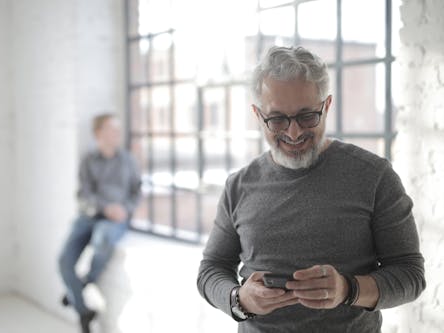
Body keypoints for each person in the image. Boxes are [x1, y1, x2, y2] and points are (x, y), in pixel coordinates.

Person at [197, 46, 425, 332]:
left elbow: (411, 275)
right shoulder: (239, 185)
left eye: (307, 116)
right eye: (277, 119)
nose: (293, 133)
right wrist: (239, 299)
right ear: (257, 115)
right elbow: (211, 270)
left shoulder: (374, 176)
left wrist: (347, 289)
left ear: (326, 106)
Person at [58, 113, 141, 333]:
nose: (117, 134)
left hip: (115, 220)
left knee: (102, 237)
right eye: (111, 129)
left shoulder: (128, 160)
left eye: (118, 129)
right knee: (64, 261)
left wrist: (124, 209)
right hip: (89, 216)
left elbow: (136, 191)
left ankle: (82, 284)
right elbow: (83, 195)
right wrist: (105, 208)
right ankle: (83, 311)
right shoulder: (88, 160)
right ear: (98, 133)